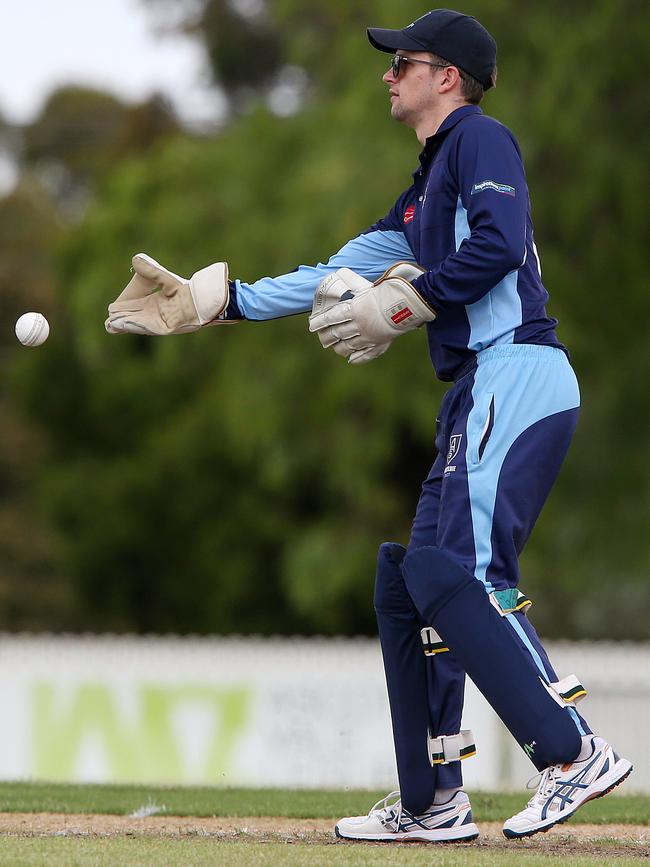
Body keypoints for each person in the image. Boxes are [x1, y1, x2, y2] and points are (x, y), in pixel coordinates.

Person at [106, 9, 632, 844]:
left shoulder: (480, 141)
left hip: (517, 372)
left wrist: (409, 300)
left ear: (447, 77)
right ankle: (433, 798)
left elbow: (499, 243)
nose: (389, 75)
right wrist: (219, 303)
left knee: (470, 571)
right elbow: (335, 272)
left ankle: (572, 754)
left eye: (405, 63)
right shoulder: (427, 188)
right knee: (413, 579)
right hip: (478, 388)